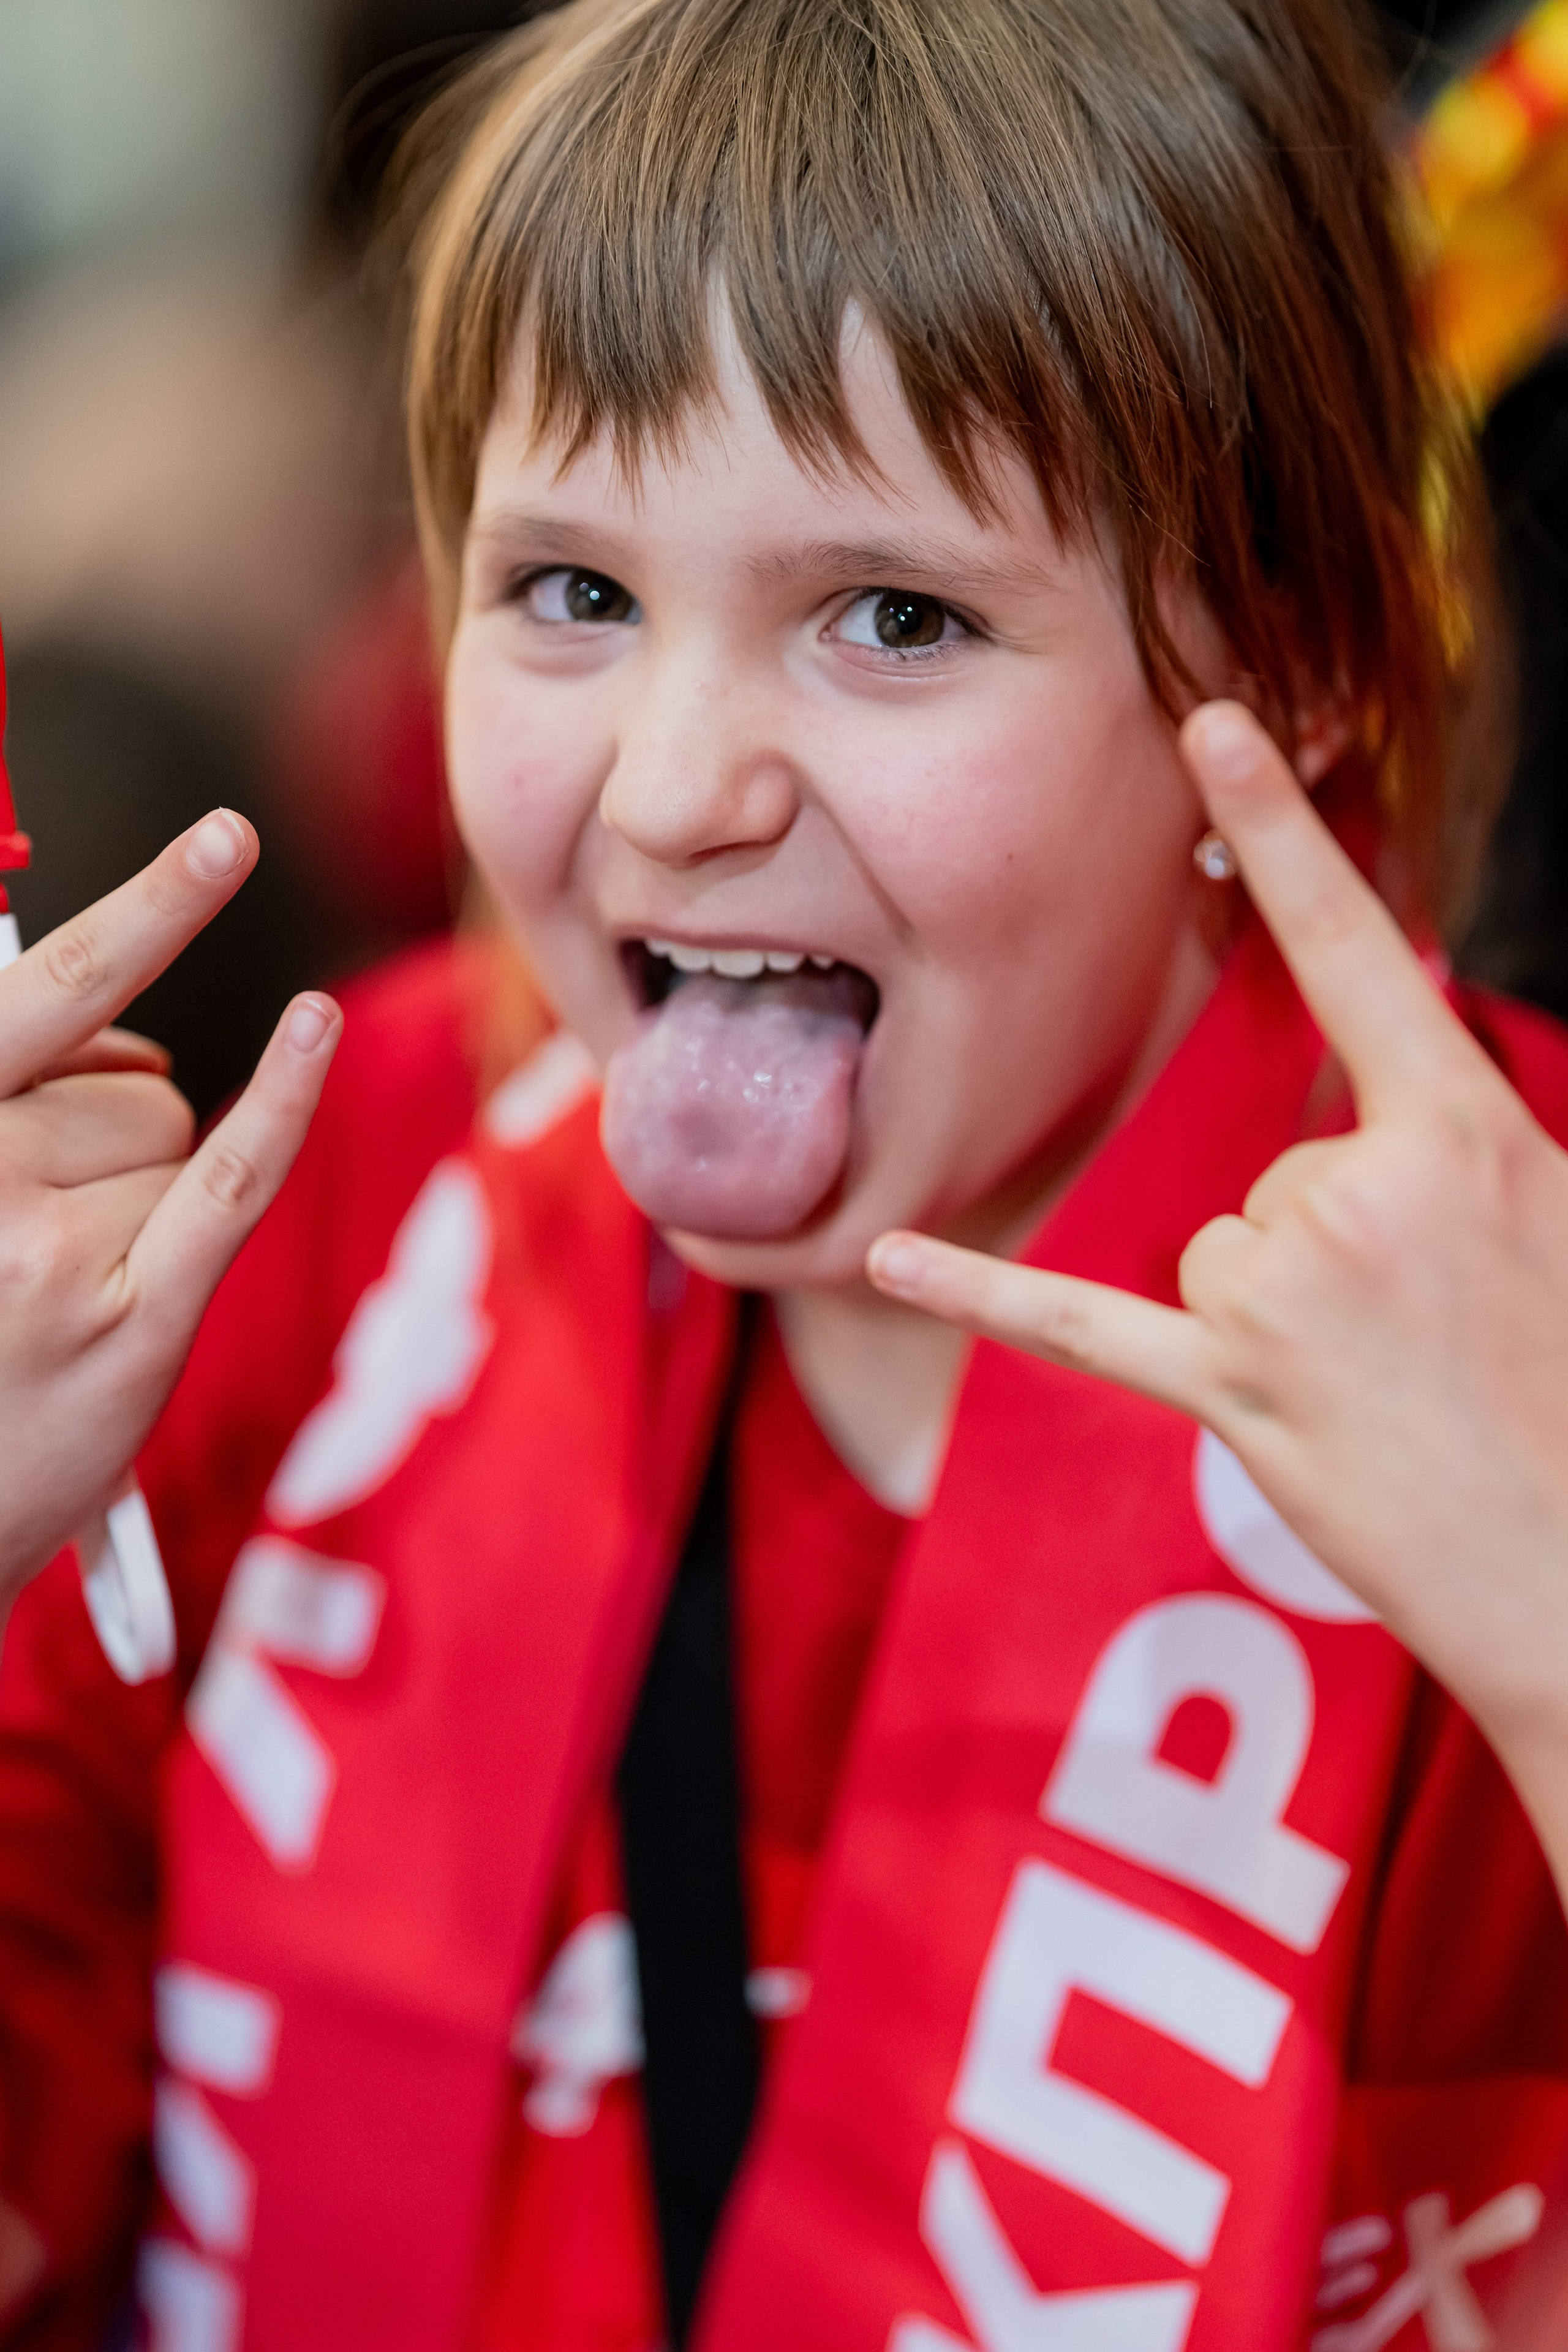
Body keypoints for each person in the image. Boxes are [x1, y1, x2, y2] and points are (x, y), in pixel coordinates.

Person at [2, 2, 1568, 2348]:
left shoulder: (1518, 1314)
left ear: (1302, 657)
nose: (671, 789)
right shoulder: (329, 1189)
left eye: (896, 617)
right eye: (572, 592)